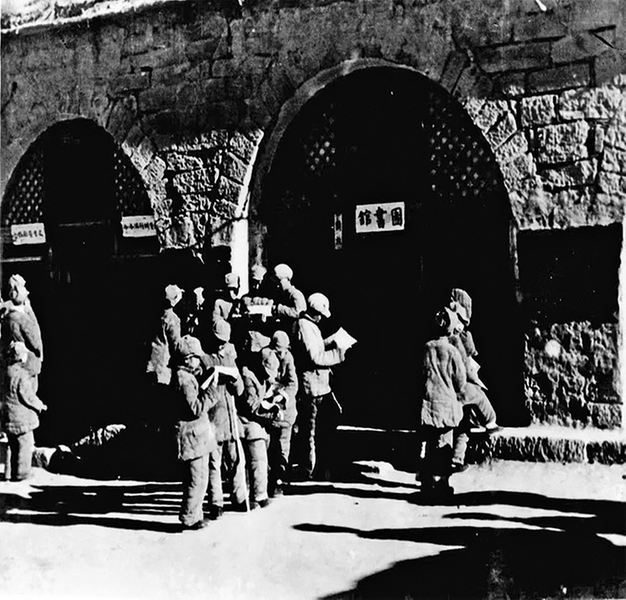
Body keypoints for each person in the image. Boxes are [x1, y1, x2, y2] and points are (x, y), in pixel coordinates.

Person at [291, 292, 347, 480]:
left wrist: (331, 341)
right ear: (314, 312)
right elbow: (314, 356)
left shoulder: (309, 325)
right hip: (313, 387)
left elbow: (315, 347)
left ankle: (316, 467)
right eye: (321, 315)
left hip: (320, 385)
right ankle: (310, 469)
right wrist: (339, 354)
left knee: (320, 426)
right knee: (311, 430)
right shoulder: (305, 326)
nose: (322, 318)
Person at [447, 289, 500, 471]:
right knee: (478, 396)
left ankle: (457, 458)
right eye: (460, 321)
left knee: (463, 423)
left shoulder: (444, 338)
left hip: (447, 389)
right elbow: (466, 366)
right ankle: (491, 422)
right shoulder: (458, 339)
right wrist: (477, 381)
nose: (461, 326)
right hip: (458, 386)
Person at [202, 318, 249, 519]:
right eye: (218, 341)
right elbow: (201, 387)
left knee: (237, 460)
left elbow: (240, 391)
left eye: (224, 341)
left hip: (230, 418)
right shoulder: (204, 359)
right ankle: (216, 502)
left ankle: (239, 497)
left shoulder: (229, 358)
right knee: (214, 462)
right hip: (213, 417)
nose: (221, 345)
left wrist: (235, 379)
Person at [419, 307, 466, 496]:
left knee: (430, 444)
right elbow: (461, 381)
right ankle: (442, 485)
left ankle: (427, 482)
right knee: (444, 446)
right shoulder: (453, 351)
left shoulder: (427, 347)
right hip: (446, 405)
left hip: (429, 404)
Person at [172, 335, 217, 531]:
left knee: (201, 477)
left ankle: (196, 515)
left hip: (197, 436)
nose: (199, 360)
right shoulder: (184, 379)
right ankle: (189, 517)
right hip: (191, 436)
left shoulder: (188, 376)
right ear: (188, 359)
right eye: (197, 357)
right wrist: (212, 392)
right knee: (196, 479)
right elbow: (195, 408)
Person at [239, 347, 284, 509]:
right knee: (257, 459)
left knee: (264, 459)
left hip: (261, 421)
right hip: (248, 422)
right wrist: (271, 415)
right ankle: (257, 495)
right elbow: (252, 407)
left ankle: (260, 492)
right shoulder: (248, 377)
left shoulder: (263, 377)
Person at [1, 341, 47, 481]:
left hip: (7, 414)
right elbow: (27, 396)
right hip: (21, 417)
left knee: (11, 445)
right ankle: (21, 474)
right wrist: (40, 405)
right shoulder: (22, 375)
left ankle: (9, 473)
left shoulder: (6, 371)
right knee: (24, 445)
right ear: (20, 356)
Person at [266, 330, 298, 495]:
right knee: (271, 446)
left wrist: (282, 395)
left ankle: (280, 477)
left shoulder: (288, 359)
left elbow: (293, 384)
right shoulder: (267, 356)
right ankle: (271, 479)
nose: (280, 354)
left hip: (286, 410)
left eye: (282, 351)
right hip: (271, 410)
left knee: (283, 445)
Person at [0, 277, 44, 390]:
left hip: (17, 362)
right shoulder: (19, 317)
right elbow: (35, 341)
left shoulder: (11, 315)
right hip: (23, 361)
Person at [146, 284, 185, 386]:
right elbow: (175, 344)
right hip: (163, 365)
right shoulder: (173, 319)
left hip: (151, 360)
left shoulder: (153, 313)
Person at [269, 264, 306, 333]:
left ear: (288, 279)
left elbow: (299, 313)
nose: (277, 285)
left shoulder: (296, 294)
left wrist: (280, 309)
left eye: (279, 281)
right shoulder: (282, 295)